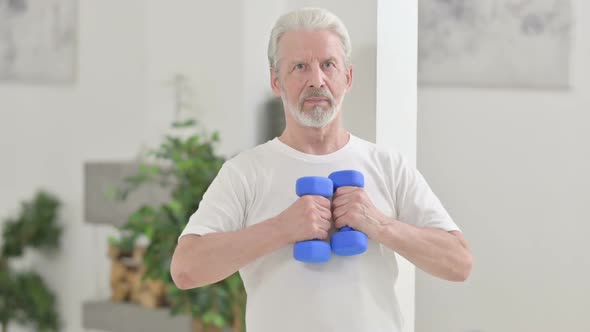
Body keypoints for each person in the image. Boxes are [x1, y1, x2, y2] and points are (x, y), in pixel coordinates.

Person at [171, 7, 472, 332]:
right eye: (299, 67)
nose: (317, 80)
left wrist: (379, 225)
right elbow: (187, 269)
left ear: (348, 77)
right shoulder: (245, 172)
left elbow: (458, 263)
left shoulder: (388, 166)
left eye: (328, 65)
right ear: (276, 80)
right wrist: (282, 228)